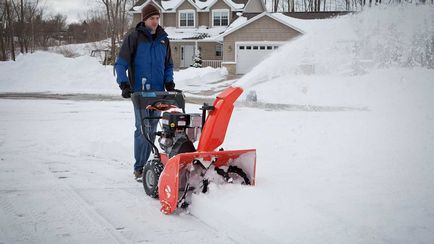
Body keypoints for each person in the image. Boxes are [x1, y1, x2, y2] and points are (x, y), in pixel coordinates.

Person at [114, 4, 175, 180]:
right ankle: (139, 168)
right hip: (140, 94)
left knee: (153, 129)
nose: (155, 22)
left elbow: (168, 65)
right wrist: (124, 84)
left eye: (157, 18)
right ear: (144, 19)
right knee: (142, 129)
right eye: (151, 19)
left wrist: (169, 82)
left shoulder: (164, 39)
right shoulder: (134, 37)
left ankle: (149, 165)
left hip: (158, 93)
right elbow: (120, 63)